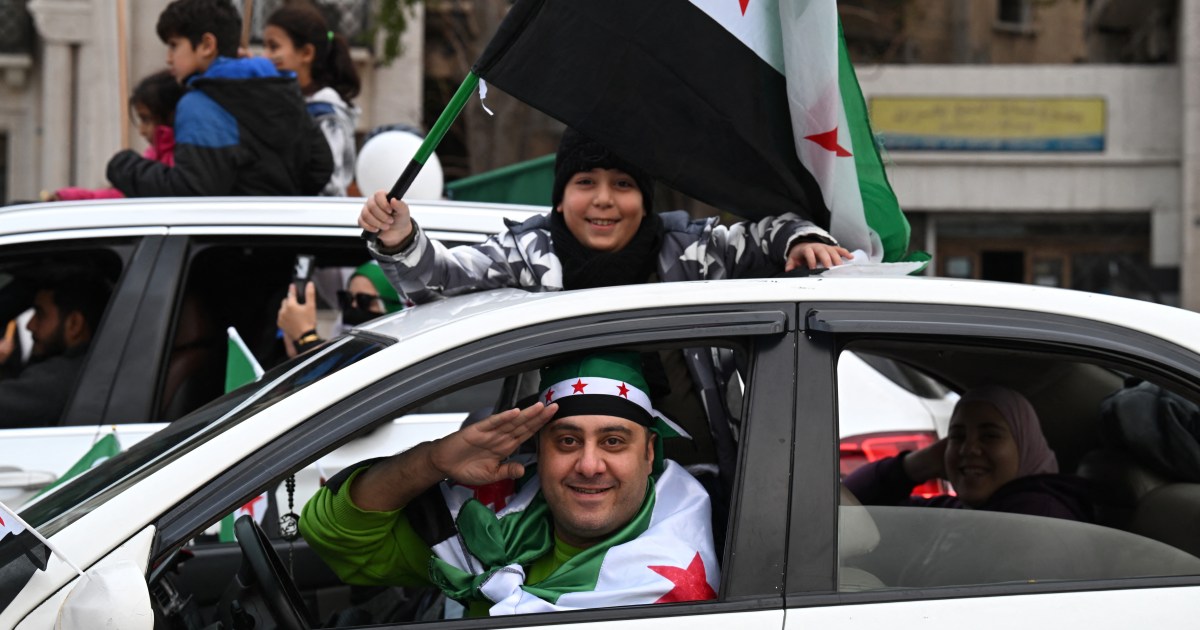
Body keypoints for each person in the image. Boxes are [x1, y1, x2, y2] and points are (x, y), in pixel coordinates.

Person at [357, 128, 852, 465]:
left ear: (645, 200)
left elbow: (770, 233)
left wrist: (802, 241)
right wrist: (400, 240)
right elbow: (441, 282)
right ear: (560, 198)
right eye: (585, 182)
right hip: (569, 492)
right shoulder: (528, 255)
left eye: (623, 184)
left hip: (705, 484)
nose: (603, 199)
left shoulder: (692, 254)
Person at [301, 352, 719, 617]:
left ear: (649, 452)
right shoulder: (488, 525)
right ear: (539, 449)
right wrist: (429, 461)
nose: (589, 466)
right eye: (567, 441)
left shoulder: (673, 581)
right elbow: (334, 534)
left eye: (613, 441)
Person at [105, 0, 333, 197]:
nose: (168, 58)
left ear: (207, 45)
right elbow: (320, 167)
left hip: (229, 232)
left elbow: (191, 189)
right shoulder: (279, 87)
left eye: (174, 46)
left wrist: (124, 166)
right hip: (287, 230)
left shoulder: (201, 104)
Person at [843, 385, 1095, 522]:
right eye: (958, 436)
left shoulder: (1037, 516)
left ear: (1025, 446)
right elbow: (849, 511)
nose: (968, 449)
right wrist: (913, 466)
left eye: (989, 436)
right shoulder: (961, 511)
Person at [263, 4, 361, 197]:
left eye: (274, 47)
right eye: (265, 46)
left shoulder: (326, 112)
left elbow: (330, 185)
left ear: (307, 53)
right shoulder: (286, 100)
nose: (265, 56)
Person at [0, 272, 112, 427]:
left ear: (74, 324)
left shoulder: (57, 379)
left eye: (40, 314)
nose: (29, 325)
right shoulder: (96, 368)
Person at [54, 70, 184, 201]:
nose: (141, 131)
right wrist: (74, 197)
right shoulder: (153, 156)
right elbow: (121, 195)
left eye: (146, 119)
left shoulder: (180, 161)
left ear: (170, 117)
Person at [277, 261, 404, 357]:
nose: (353, 306)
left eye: (364, 300)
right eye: (347, 298)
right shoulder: (340, 345)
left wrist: (305, 337)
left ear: (394, 305)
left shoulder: (399, 356)